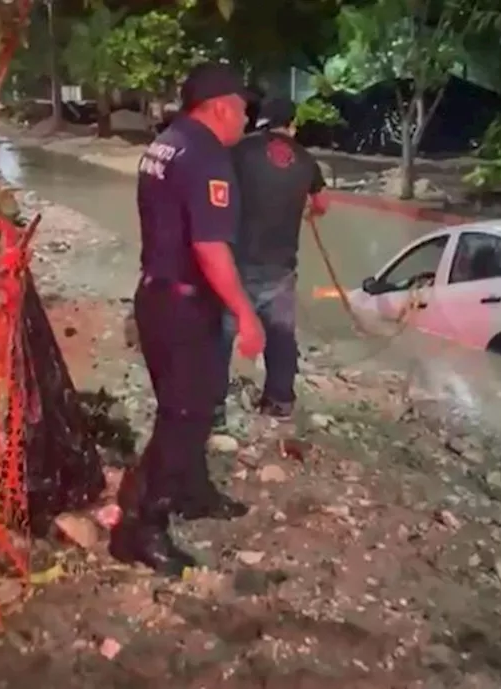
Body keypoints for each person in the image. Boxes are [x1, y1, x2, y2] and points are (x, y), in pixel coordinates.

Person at [110, 62, 265, 577]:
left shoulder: (168, 142)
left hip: (156, 294)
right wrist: (246, 313)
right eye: (243, 107)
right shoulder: (206, 155)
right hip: (183, 304)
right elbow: (209, 245)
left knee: (187, 405)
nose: (246, 117)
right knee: (185, 414)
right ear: (220, 106)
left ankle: (192, 492)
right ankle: (140, 528)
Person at [214, 96, 329, 426]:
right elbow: (322, 203)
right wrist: (307, 211)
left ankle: (214, 409)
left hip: (236, 262)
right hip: (281, 266)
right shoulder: (307, 160)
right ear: (292, 124)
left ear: (260, 120)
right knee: (280, 336)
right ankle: (279, 401)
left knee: (221, 336)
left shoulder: (238, 150)